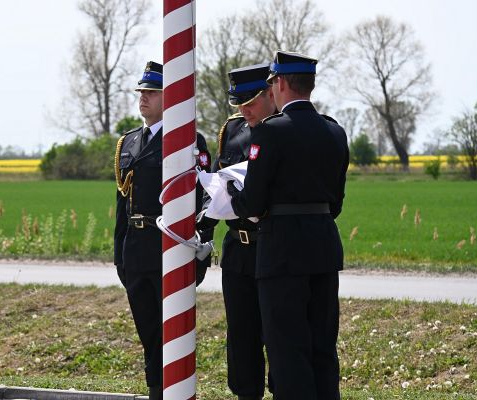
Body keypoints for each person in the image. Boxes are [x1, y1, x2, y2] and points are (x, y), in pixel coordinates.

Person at [228, 51, 349, 399]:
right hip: (324, 248)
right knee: (323, 346)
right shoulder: (334, 131)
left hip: (281, 254)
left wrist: (231, 201)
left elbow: (252, 202)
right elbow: (336, 201)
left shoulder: (270, 133)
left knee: (287, 350)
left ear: (279, 83)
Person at [113, 61, 212, 400]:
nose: (143, 99)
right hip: (136, 251)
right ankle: (156, 388)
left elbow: (203, 197)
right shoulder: (128, 142)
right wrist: (119, 256)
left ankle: (167, 393)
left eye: (152, 93)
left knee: (173, 332)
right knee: (148, 330)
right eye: (141, 92)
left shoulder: (186, 140)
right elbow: (122, 206)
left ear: (169, 99)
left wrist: (200, 252)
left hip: (169, 248)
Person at [199, 63, 277, 400]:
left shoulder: (285, 131)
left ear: (272, 92)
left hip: (274, 245)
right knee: (241, 335)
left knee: (278, 332)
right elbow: (219, 184)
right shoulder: (232, 131)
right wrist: (202, 234)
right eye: (239, 104)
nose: (245, 110)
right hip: (238, 249)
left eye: (252, 101)